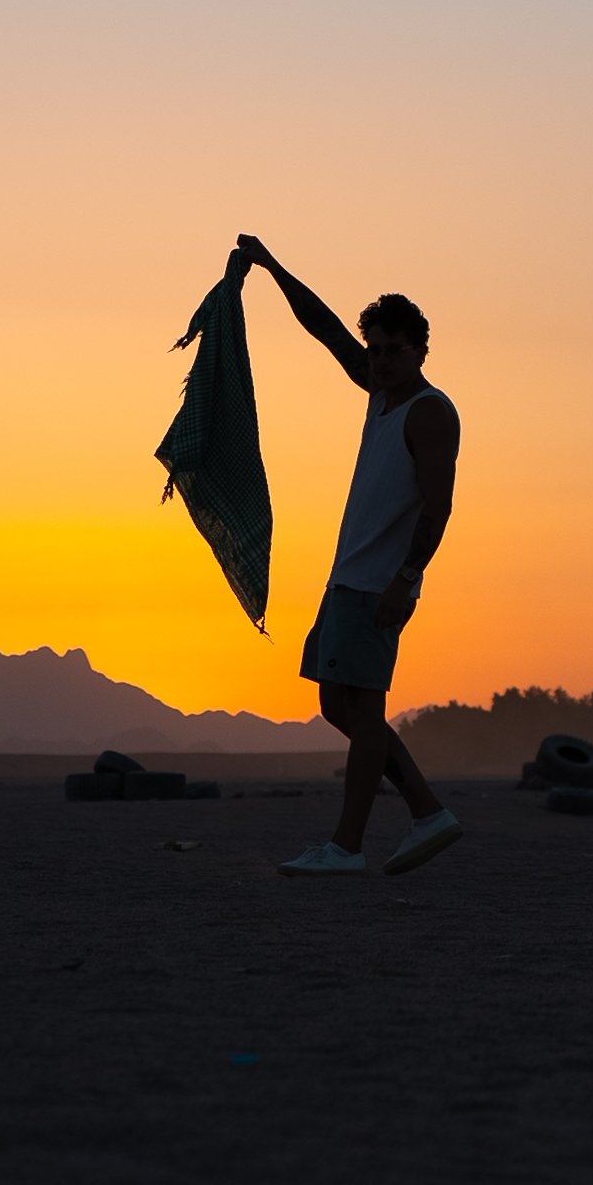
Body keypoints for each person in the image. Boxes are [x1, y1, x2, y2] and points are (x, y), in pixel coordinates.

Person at [235, 235, 462, 877]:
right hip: (349, 577)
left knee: (362, 711)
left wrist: (406, 580)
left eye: (396, 350)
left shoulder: (429, 412)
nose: (383, 360)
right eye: (377, 350)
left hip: (380, 584)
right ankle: (425, 809)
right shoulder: (379, 395)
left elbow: (439, 508)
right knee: (337, 705)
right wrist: (272, 267)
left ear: (420, 351)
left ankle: (346, 847)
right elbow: (327, 331)